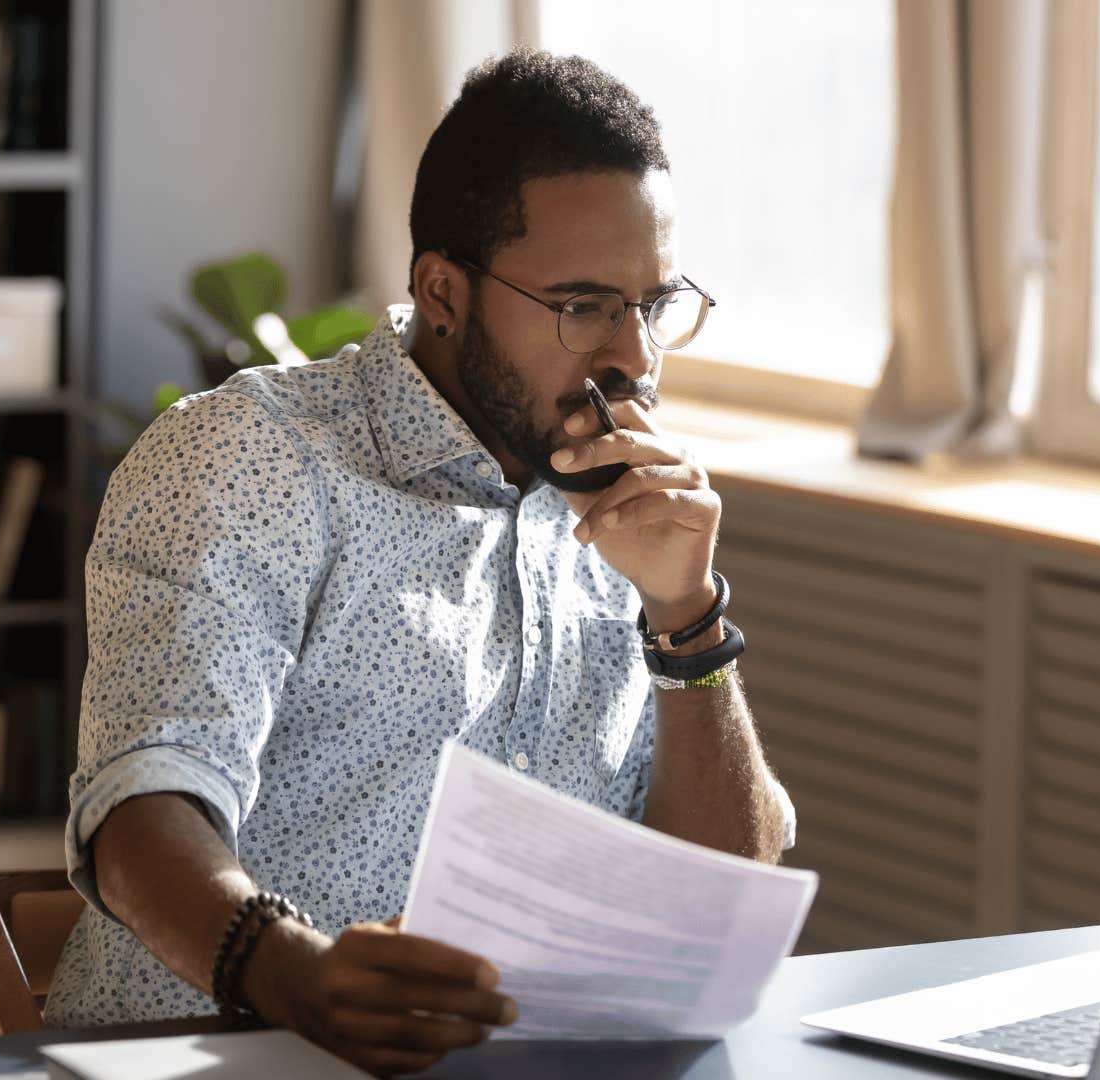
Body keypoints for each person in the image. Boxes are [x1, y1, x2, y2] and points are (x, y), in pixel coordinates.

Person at [42, 48, 796, 1076]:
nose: (635, 360)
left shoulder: (627, 514)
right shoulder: (250, 461)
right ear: (443, 290)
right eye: (583, 307)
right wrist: (293, 974)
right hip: (214, 1057)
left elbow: (715, 904)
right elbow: (142, 807)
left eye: (652, 306)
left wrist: (687, 617)